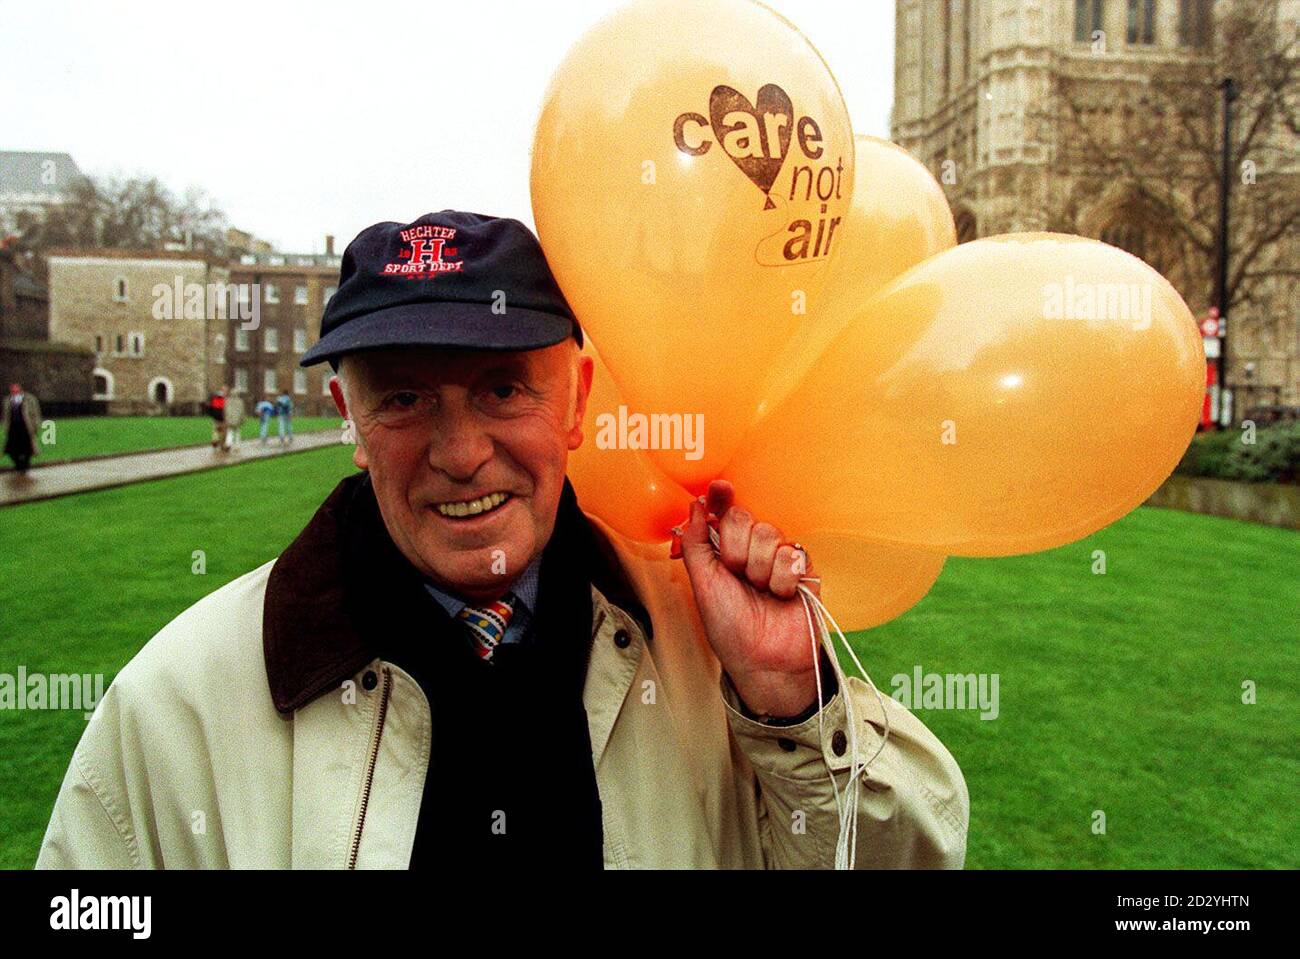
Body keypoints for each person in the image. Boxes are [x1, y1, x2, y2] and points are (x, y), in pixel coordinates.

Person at [36, 212, 967, 870]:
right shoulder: (181, 699)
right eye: (403, 397)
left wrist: (791, 705)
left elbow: (906, 860)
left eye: (502, 389)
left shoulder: (703, 650)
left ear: (578, 401)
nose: (461, 451)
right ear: (347, 418)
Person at [3, 382, 41, 474]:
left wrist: (35, 426)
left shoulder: (30, 399)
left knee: (27, 449)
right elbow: (6, 416)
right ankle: (19, 465)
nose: (14, 392)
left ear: (20, 390)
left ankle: (24, 466)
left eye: (16, 390)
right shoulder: (7, 401)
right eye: (12, 391)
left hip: (26, 427)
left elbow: (35, 413)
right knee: (11, 450)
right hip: (13, 428)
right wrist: (6, 427)